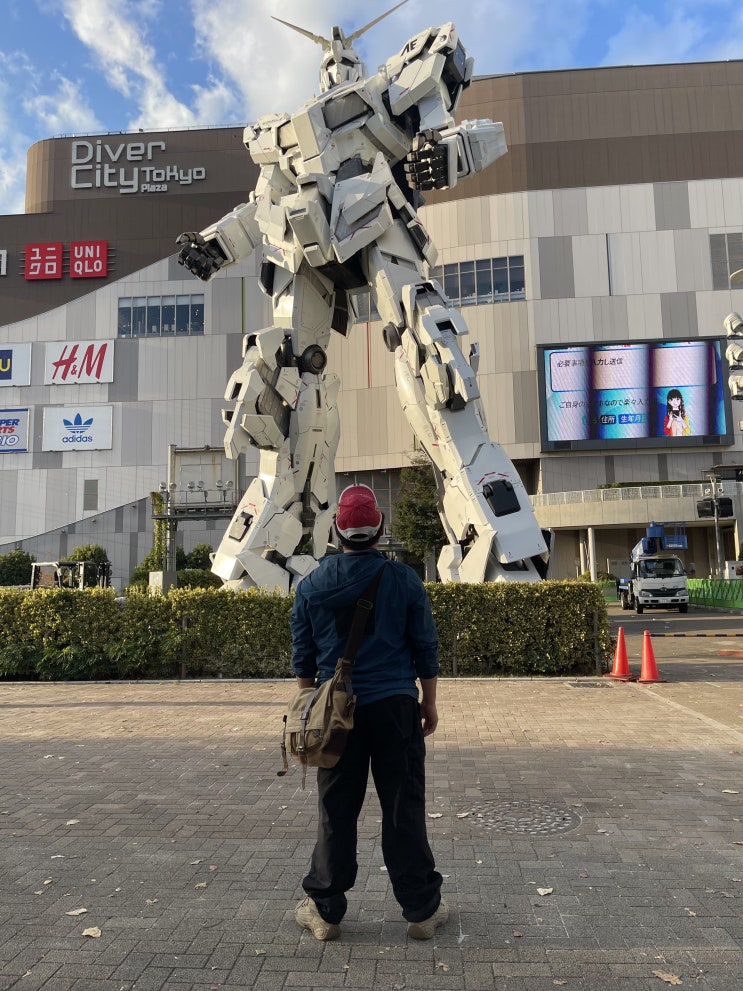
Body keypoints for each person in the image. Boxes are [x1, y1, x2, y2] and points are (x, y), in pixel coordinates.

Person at [290, 483, 446, 941]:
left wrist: (311, 709)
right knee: (403, 807)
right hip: (396, 707)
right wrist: (429, 701)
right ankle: (421, 910)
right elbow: (425, 647)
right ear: (379, 529)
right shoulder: (404, 580)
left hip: (337, 714)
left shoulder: (310, 584)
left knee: (335, 810)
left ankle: (325, 911)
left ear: (337, 532)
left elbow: (303, 658)